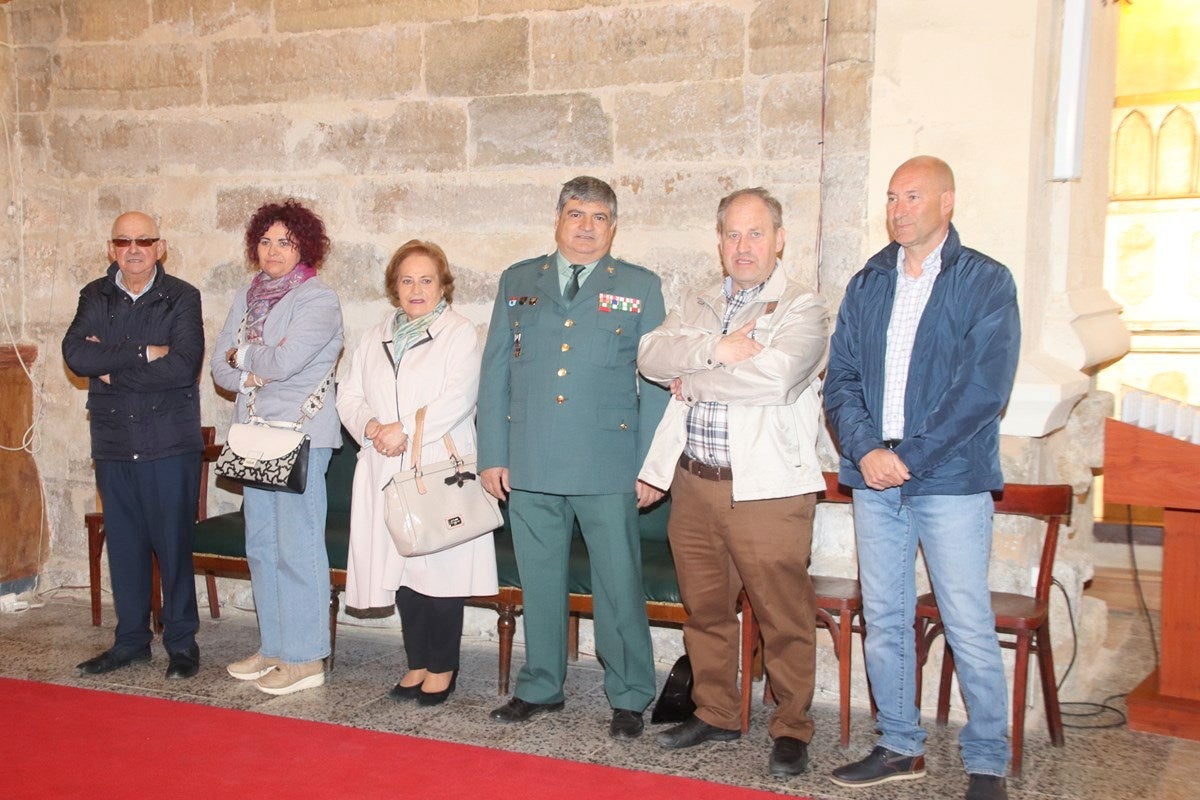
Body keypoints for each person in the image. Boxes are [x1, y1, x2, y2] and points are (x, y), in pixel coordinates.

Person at [824, 156, 1020, 800]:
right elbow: (842, 380)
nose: (898, 208)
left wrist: (907, 456)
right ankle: (900, 744)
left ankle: (987, 758)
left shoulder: (985, 282)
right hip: (875, 478)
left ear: (947, 202)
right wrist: (867, 450)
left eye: (912, 196)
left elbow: (981, 391)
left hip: (950, 481)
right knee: (883, 617)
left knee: (965, 618)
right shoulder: (869, 281)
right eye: (890, 197)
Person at [637, 187, 829, 777]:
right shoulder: (696, 301)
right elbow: (649, 354)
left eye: (755, 234)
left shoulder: (803, 306)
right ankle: (717, 711)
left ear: (779, 238)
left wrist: (695, 380)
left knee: (783, 615)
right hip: (694, 482)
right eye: (732, 235)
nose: (743, 246)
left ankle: (792, 724)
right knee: (707, 610)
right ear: (719, 241)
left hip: (768, 490)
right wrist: (718, 347)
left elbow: (773, 380)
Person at [477, 175, 669, 739]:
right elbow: (495, 373)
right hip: (531, 458)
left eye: (600, 218)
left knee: (617, 582)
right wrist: (492, 452)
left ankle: (630, 693)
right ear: (558, 219)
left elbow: (656, 384)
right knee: (537, 578)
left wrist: (650, 466)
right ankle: (540, 685)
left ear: (614, 226)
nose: (587, 228)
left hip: (607, 463)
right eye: (576, 214)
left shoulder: (639, 285)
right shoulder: (518, 280)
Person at [337, 239, 498, 706]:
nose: (416, 288)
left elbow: (458, 397)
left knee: (440, 570)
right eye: (407, 280)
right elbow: (348, 393)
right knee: (402, 568)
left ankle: (443, 666)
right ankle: (417, 662)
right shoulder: (375, 335)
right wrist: (370, 426)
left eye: (426, 279)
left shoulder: (459, 332)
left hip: (435, 466)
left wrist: (402, 431)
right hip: (384, 463)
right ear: (394, 287)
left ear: (443, 285)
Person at [63, 211, 205, 680]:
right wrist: (146, 352)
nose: (134, 248)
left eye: (144, 239)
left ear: (160, 247)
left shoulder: (182, 297)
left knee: (173, 546)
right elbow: (76, 355)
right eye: (123, 240)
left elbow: (182, 367)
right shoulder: (94, 295)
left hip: (169, 443)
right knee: (123, 547)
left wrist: (112, 368)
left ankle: (182, 644)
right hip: (114, 442)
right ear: (111, 249)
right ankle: (130, 643)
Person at [211, 199, 344, 696]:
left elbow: (285, 362)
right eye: (265, 241)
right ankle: (275, 646)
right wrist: (249, 365)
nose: (273, 250)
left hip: (299, 435)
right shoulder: (249, 296)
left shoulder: (318, 299)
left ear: (304, 246)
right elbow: (218, 369)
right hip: (253, 431)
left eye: (284, 241)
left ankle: (306, 658)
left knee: (298, 544)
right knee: (262, 544)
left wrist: (244, 354)